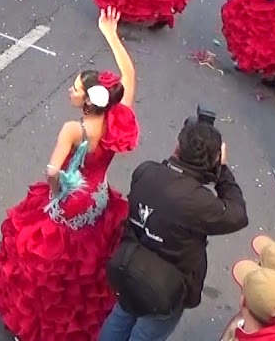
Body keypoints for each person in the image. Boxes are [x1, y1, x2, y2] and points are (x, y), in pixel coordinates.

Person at [0, 7, 140, 340]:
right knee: (82, 267)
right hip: (98, 200)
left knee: (46, 262)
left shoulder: (74, 129)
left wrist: (57, 190)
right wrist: (111, 36)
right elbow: (129, 76)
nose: (70, 91)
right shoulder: (116, 119)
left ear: (88, 100)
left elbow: (52, 170)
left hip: (71, 203)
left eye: (75, 89)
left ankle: (34, 326)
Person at [99, 120, 248, 340]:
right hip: (165, 286)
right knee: (145, 335)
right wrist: (222, 171)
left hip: (129, 264)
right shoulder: (201, 203)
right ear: (213, 161)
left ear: (178, 148)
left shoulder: (146, 171)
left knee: (120, 317)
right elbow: (238, 214)